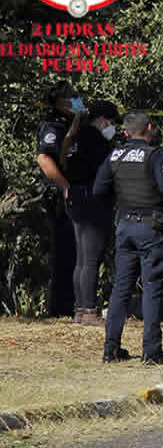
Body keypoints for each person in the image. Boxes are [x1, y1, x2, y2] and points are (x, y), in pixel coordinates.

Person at [92, 112, 163, 364]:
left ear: (126, 133)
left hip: (124, 227)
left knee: (121, 288)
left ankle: (111, 349)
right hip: (150, 229)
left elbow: (99, 190)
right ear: (149, 129)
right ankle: (152, 351)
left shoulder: (115, 156)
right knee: (152, 289)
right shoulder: (156, 155)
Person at [60, 101, 123, 326]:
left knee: (82, 258)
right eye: (113, 122)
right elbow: (107, 173)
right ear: (103, 120)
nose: (113, 127)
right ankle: (88, 310)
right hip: (91, 202)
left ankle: (80, 308)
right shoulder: (95, 141)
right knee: (91, 258)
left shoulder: (76, 138)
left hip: (76, 197)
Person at [35, 81, 84, 318]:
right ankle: (60, 308)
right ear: (61, 101)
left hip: (73, 194)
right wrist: (65, 187)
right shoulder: (52, 126)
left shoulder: (71, 124)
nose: (77, 99)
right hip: (59, 196)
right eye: (72, 96)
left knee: (75, 252)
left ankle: (71, 304)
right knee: (65, 252)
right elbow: (45, 159)